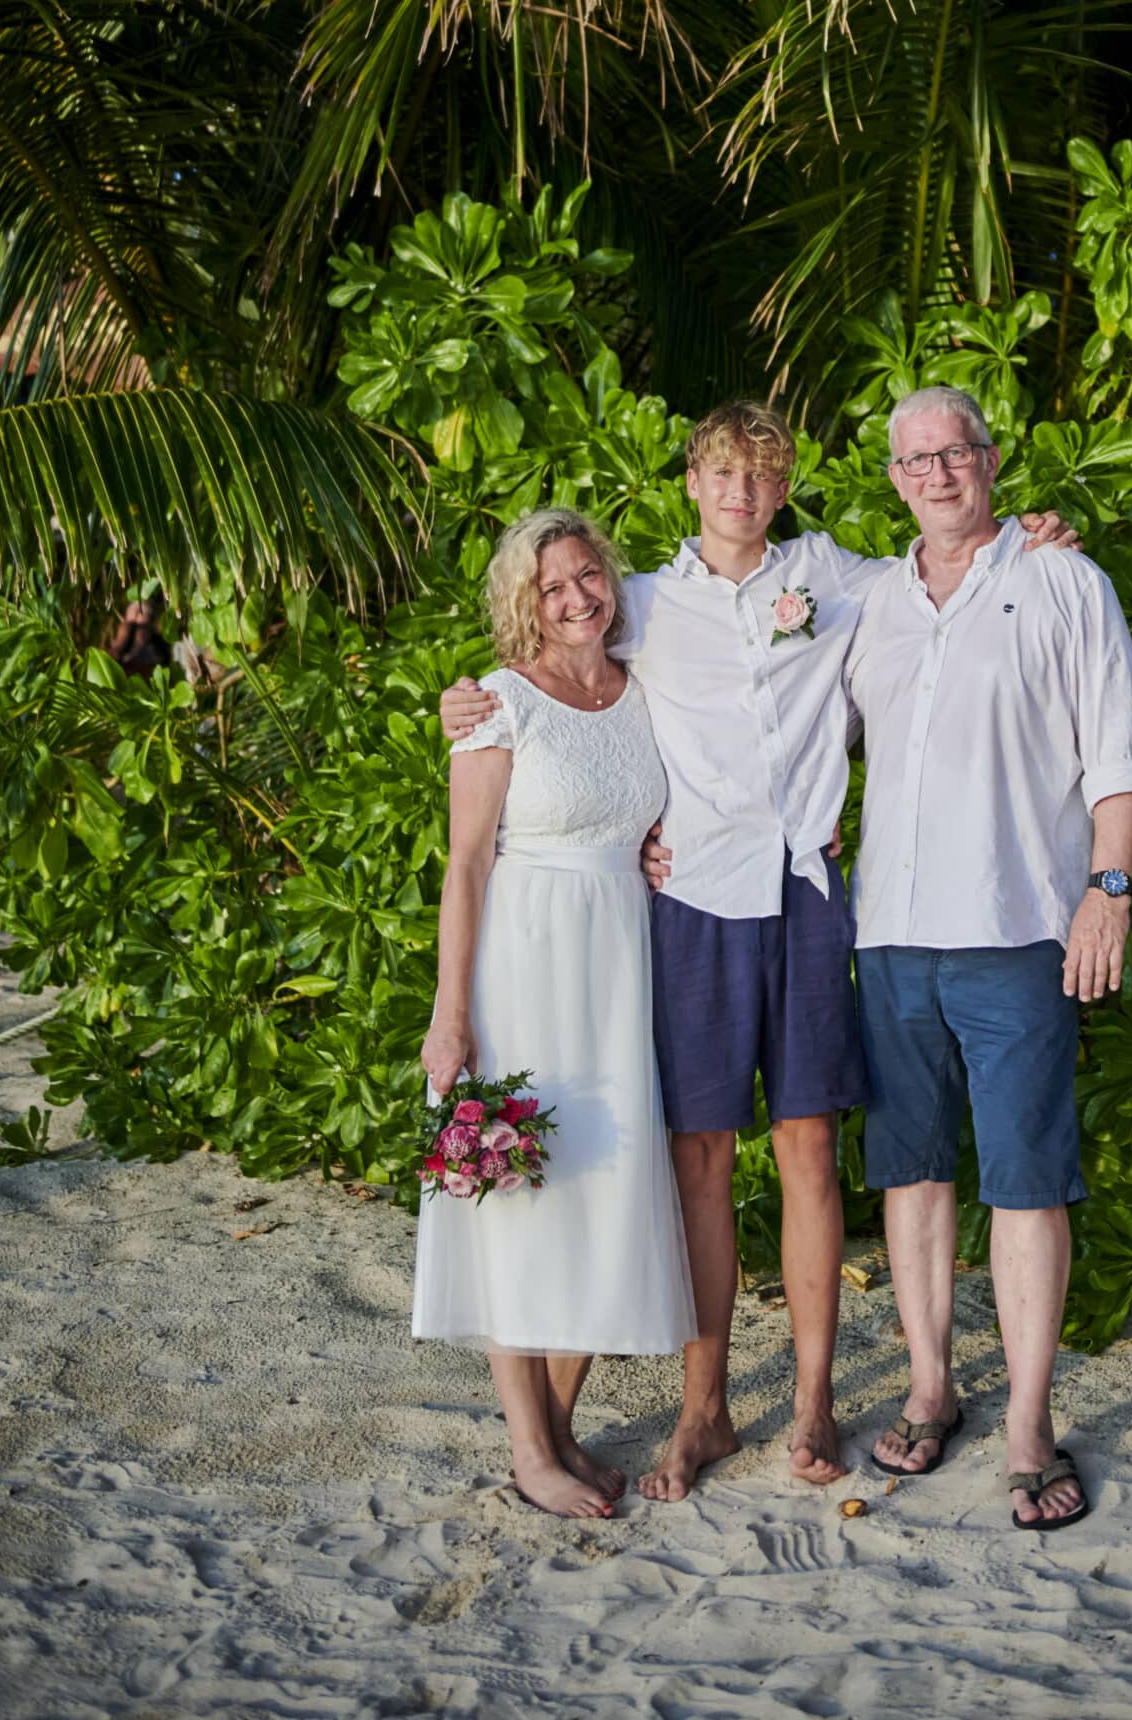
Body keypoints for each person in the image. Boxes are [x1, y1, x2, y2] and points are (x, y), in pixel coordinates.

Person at [439, 401, 1078, 1502]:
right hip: (691, 899)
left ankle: (819, 1399)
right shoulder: (636, 602)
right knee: (699, 1161)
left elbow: (949, 567)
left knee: (808, 1150)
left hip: (810, 895)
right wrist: (469, 697)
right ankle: (707, 1409)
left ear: (785, 487)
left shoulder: (839, 574)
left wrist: (1035, 537)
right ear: (691, 480)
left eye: (765, 471)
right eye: (723, 470)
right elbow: (553, 664)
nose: (742, 488)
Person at [847, 385, 1132, 1532]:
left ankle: (1028, 1422)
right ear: (892, 478)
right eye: (914, 458)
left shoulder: (1064, 578)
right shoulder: (865, 598)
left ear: (991, 458)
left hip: (1021, 930)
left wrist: (1107, 890)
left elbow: (1116, 753)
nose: (936, 472)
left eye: (955, 451)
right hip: (887, 935)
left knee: (1027, 1179)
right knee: (914, 1172)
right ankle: (934, 1386)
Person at [413, 507, 695, 1520]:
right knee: (520, 1196)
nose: (576, 596)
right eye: (552, 586)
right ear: (520, 602)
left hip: (618, 961)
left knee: (604, 1191)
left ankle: (563, 1426)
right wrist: (452, 1016)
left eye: (588, 575)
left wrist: (658, 852)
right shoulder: (495, 702)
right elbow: (466, 862)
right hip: (523, 964)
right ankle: (530, 1450)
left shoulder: (637, 687)